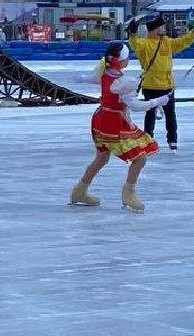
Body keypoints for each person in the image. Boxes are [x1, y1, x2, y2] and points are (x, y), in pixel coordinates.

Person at [70, 41, 168, 212]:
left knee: (101, 158)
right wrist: (157, 101)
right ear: (122, 60)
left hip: (100, 119)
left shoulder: (105, 71)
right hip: (114, 124)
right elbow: (135, 106)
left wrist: (82, 78)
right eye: (128, 57)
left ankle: (80, 191)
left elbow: (94, 79)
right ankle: (129, 193)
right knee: (140, 158)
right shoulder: (123, 82)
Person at [126, 14, 194, 150]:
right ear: (155, 29)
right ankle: (148, 139)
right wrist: (132, 33)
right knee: (150, 114)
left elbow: (183, 42)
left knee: (170, 114)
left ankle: (172, 140)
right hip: (151, 85)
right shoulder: (145, 43)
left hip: (167, 85)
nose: (165, 29)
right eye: (162, 27)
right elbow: (134, 44)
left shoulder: (167, 42)